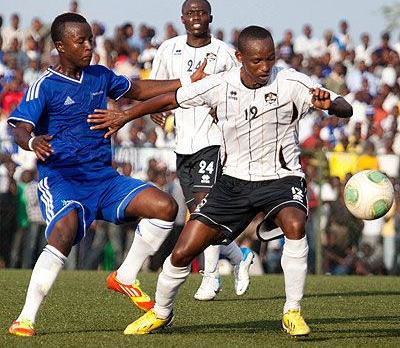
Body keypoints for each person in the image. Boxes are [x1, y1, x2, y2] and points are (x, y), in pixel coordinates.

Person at [88, 25, 353, 337]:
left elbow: (344, 107)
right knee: (183, 252)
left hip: (281, 178)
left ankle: (292, 311)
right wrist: (125, 116)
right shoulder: (220, 84)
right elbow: (169, 100)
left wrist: (328, 105)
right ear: (240, 57)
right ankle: (161, 313)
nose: (265, 67)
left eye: (270, 59)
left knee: (295, 224)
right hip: (233, 183)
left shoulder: (292, 81)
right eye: (257, 61)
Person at [7, 12, 205, 337]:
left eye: (91, 39)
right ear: (60, 46)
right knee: (64, 232)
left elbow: (139, 89)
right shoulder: (45, 85)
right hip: (63, 179)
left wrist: (186, 82)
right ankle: (25, 318)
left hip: (105, 179)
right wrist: (31, 140)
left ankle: (124, 276)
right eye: (80, 41)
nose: (89, 46)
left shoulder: (100, 75)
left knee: (166, 207)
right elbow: (19, 127)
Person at [149, 0, 254, 301]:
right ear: (182, 18)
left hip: (212, 139)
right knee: (198, 214)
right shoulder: (169, 48)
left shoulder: (223, 52)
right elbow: (156, 85)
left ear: (210, 17)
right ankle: (237, 256)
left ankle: (210, 277)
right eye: (190, 12)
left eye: (202, 12)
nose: (196, 16)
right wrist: (155, 109)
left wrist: (225, 109)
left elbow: (241, 86)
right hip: (183, 143)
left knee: (205, 210)